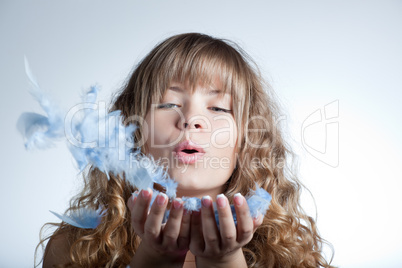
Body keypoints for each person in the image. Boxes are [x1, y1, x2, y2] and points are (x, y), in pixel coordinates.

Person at [37, 33, 333, 267]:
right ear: (133, 130)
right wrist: (154, 260)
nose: (192, 119)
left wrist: (225, 262)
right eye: (168, 104)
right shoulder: (73, 248)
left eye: (218, 107)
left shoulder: (290, 252)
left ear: (247, 140)